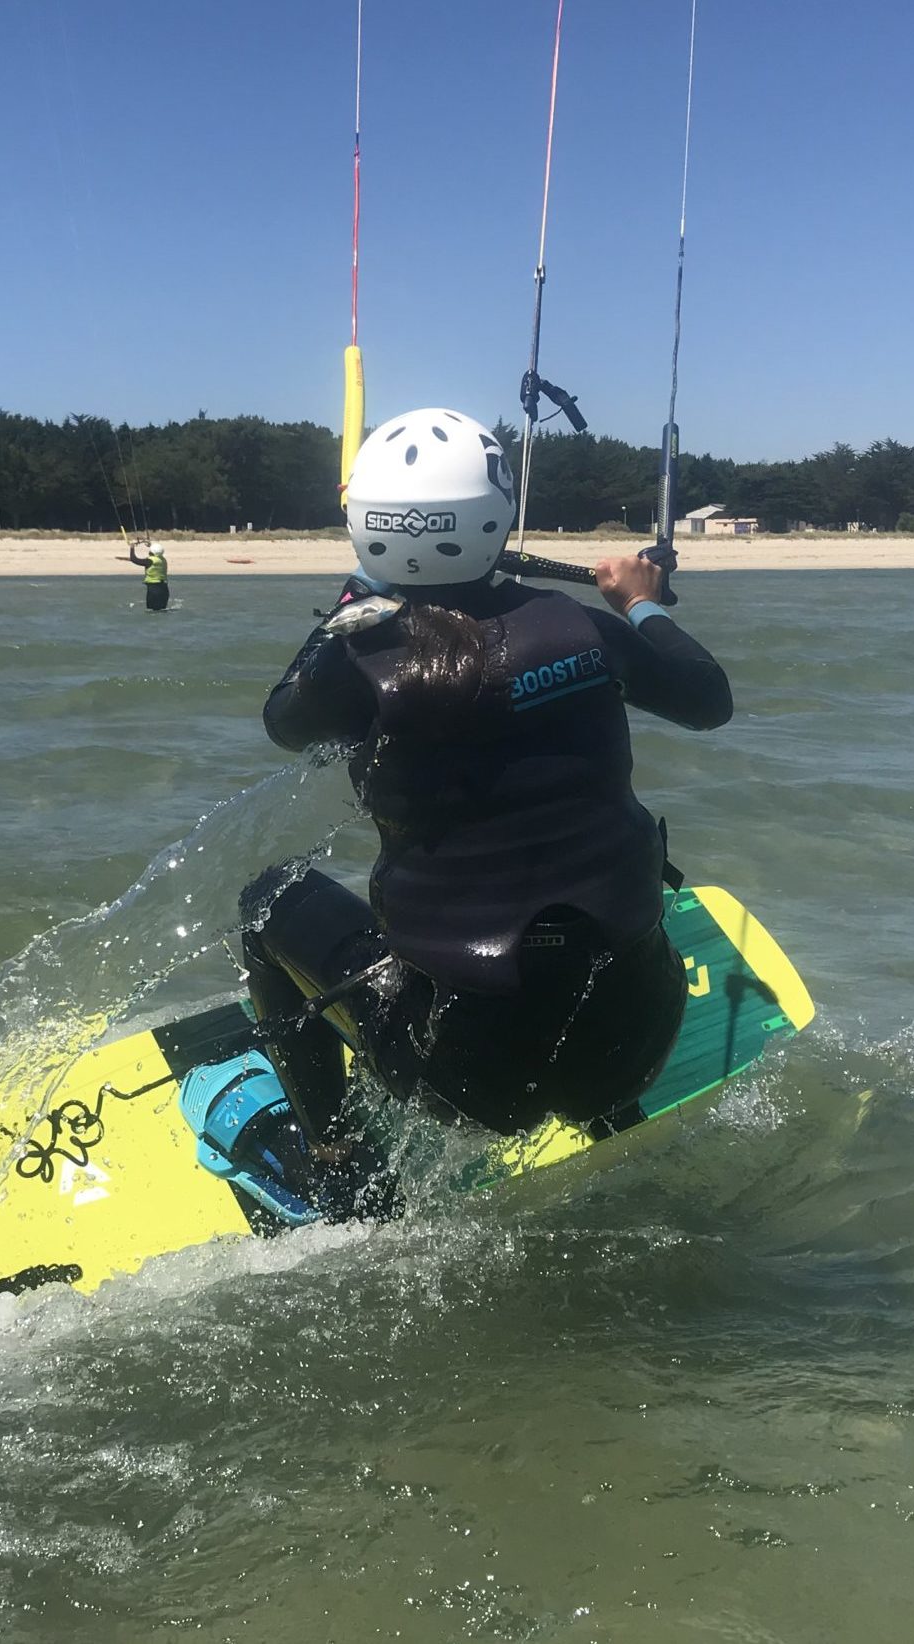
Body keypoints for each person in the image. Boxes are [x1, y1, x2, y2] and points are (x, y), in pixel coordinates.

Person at [237, 407, 731, 1202]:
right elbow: (708, 700)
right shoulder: (580, 627)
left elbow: (283, 722)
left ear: (367, 524)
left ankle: (333, 1157)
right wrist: (639, 603)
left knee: (267, 901)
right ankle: (609, 1108)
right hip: (634, 1046)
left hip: (463, 1084)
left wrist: (358, 598)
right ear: (496, 515)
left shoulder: (354, 664)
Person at [123, 540, 170, 611]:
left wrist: (132, 548)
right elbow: (156, 551)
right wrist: (150, 545)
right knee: (162, 611)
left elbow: (134, 559)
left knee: (151, 611)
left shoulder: (150, 561)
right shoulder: (162, 559)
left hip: (154, 589)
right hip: (164, 589)